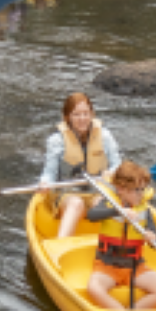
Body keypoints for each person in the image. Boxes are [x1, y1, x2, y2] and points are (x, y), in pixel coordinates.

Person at [84, 160, 156, 311]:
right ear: (121, 189)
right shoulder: (109, 203)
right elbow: (92, 215)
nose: (142, 194)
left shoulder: (144, 210)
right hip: (107, 265)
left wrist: (153, 239)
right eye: (137, 190)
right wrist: (118, 211)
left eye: (143, 189)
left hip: (135, 266)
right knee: (94, 288)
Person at [39, 92, 118, 237]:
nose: (82, 119)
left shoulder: (105, 136)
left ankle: (116, 244)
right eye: (76, 114)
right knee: (76, 204)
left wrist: (111, 172)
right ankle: (61, 244)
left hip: (98, 191)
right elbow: (49, 173)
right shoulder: (56, 141)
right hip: (67, 194)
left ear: (91, 114)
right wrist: (44, 182)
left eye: (85, 113)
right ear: (67, 117)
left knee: (104, 204)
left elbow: (117, 166)